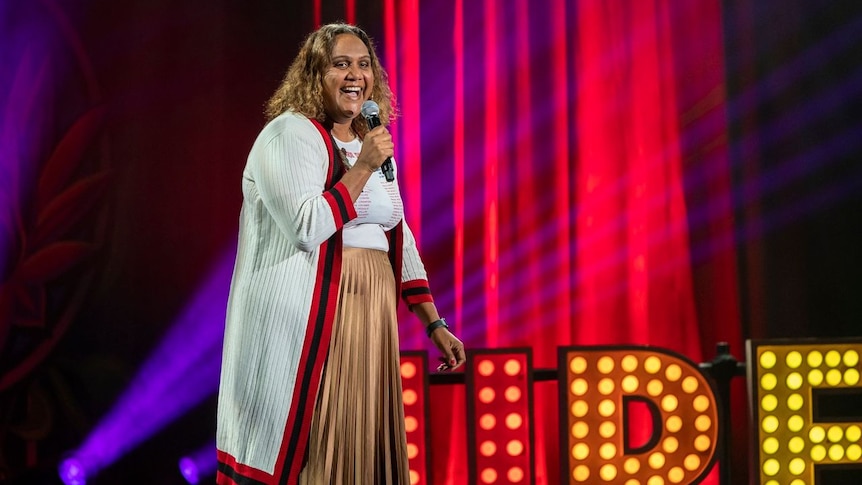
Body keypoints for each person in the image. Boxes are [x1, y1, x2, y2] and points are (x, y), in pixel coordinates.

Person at [216, 22, 465, 485]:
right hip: (315, 310)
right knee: (315, 443)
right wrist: (365, 166)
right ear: (315, 75)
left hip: (371, 313)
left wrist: (434, 323)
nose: (355, 74)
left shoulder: (370, 141)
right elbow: (306, 227)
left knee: (361, 448)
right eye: (340, 64)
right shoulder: (288, 135)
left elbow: (396, 230)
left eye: (363, 64)